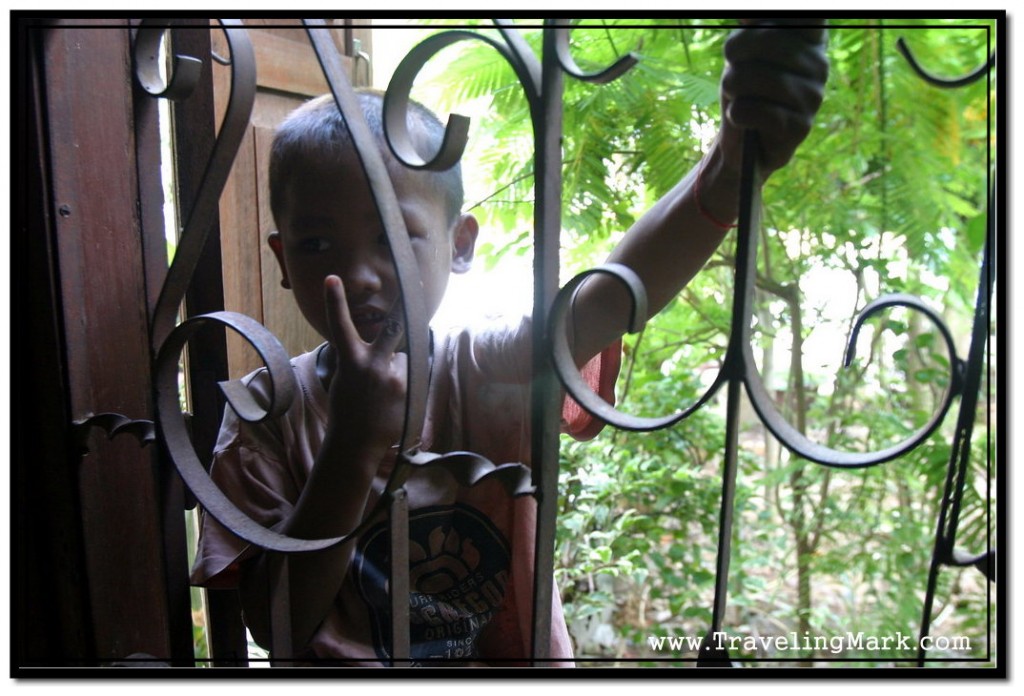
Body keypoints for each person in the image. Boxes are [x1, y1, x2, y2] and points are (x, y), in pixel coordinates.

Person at [190, 21, 828, 666]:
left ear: (460, 245)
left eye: (393, 236)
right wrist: (352, 445)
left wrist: (726, 170)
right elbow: (277, 627)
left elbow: (606, 299)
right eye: (317, 243)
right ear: (281, 257)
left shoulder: (485, 367)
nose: (357, 274)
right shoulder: (264, 410)